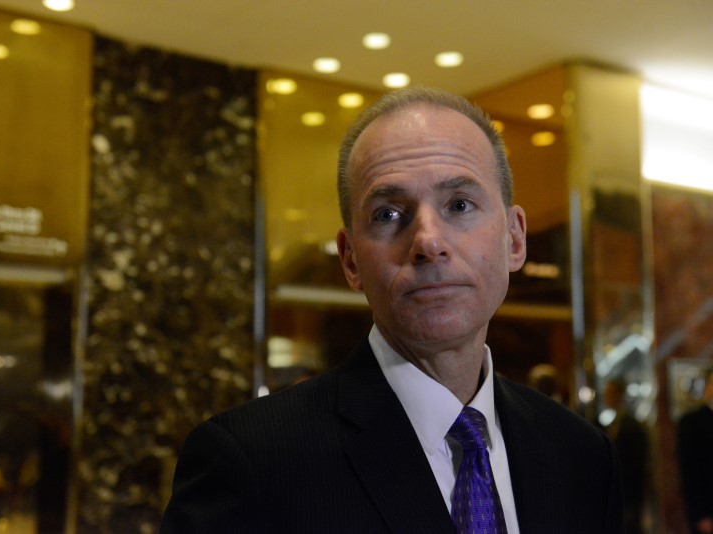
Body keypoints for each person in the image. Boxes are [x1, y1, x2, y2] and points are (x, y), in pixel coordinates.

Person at [160, 86, 623, 533]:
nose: (428, 241)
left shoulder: (581, 455)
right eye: (387, 214)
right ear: (350, 260)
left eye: (459, 204)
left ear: (515, 239)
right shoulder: (252, 461)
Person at [602, 379, 649, 534]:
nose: (605, 398)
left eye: (609, 394)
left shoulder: (630, 425)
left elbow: (636, 466)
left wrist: (633, 502)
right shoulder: (614, 423)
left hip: (629, 496)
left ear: (618, 395)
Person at [677, 369, 713, 534]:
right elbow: (689, 472)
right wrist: (700, 514)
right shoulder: (691, 422)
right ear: (707, 387)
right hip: (708, 509)